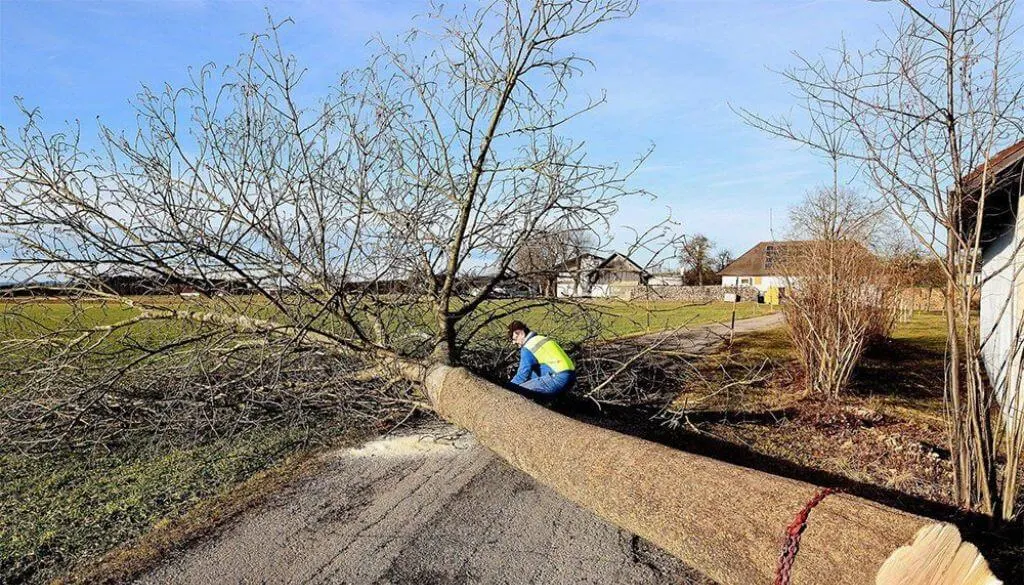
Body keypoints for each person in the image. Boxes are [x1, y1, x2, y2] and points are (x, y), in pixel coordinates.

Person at [506, 320, 576, 399]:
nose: (514, 342)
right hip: (572, 376)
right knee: (533, 374)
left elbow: (522, 375)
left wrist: (507, 388)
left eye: (514, 339)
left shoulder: (528, 347)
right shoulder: (543, 338)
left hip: (557, 377)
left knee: (519, 391)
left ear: (521, 333)